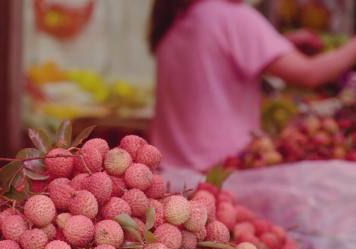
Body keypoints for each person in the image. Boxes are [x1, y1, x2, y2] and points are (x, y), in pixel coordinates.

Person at [149, 0, 356, 171]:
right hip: (223, 171)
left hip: (170, 172)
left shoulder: (177, 19)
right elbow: (310, 74)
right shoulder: (232, 16)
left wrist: (280, 44)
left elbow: (217, 62)